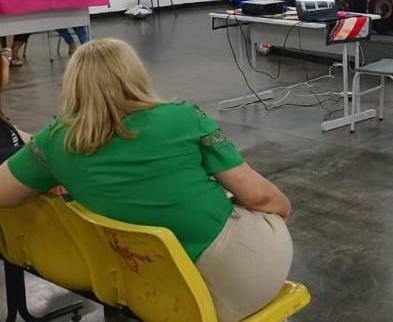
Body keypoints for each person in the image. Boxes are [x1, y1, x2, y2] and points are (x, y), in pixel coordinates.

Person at [0, 39, 293, 321]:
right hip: (235, 282)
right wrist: (281, 211)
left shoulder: (55, 140)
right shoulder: (185, 118)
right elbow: (263, 198)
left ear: (73, 84)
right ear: (136, 75)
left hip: (149, 289)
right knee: (257, 209)